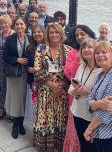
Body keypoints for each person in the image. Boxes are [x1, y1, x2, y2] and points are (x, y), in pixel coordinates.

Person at [32, 23, 72, 151]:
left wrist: (61, 86)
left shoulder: (68, 50)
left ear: (61, 33)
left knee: (61, 117)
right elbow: (37, 69)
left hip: (62, 91)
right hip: (45, 90)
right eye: (51, 32)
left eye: (56, 32)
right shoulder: (41, 48)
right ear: (47, 34)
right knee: (45, 117)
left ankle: (59, 144)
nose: (54, 35)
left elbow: (71, 70)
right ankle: (44, 144)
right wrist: (51, 85)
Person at [64, 24, 96, 151]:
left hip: (93, 109)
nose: (79, 37)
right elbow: (69, 75)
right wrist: (79, 57)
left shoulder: (99, 60)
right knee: (78, 130)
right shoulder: (73, 53)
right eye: (76, 35)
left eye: (82, 34)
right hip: (76, 99)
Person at [68, 38, 101, 152]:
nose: (86, 50)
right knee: (82, 145)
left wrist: (86, 92)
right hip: (77, 113)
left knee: (91, 148)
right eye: (84, 48)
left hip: (91, 116)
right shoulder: (82, 67)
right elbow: (71, 88)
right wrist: (76, 91)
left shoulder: (102, 71)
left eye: (90, 47)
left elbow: (103, 97)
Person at [3, 17, 30, 139]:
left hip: (27, 73)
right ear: (14, 26)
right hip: (14, 73)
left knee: (24, 99)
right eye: (17, 24)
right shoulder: (10, 39)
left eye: (22, 24)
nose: (19, 26)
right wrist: (17, 60)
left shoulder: (31, 38)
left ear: (25, 25)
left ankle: (21, 123)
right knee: (15, 99)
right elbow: (5, 56)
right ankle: (15, 125)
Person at [23, 24, 45, 122]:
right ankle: (35, 127)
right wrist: (28, 69)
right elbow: (25, 63)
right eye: (34, 32)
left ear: (44, 33)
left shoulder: (48, 48)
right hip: (33, 82)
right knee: (33, 105)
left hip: (45, 83)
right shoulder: (30, 48)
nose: (36, 34)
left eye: (39, 32)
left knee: (43, 106)